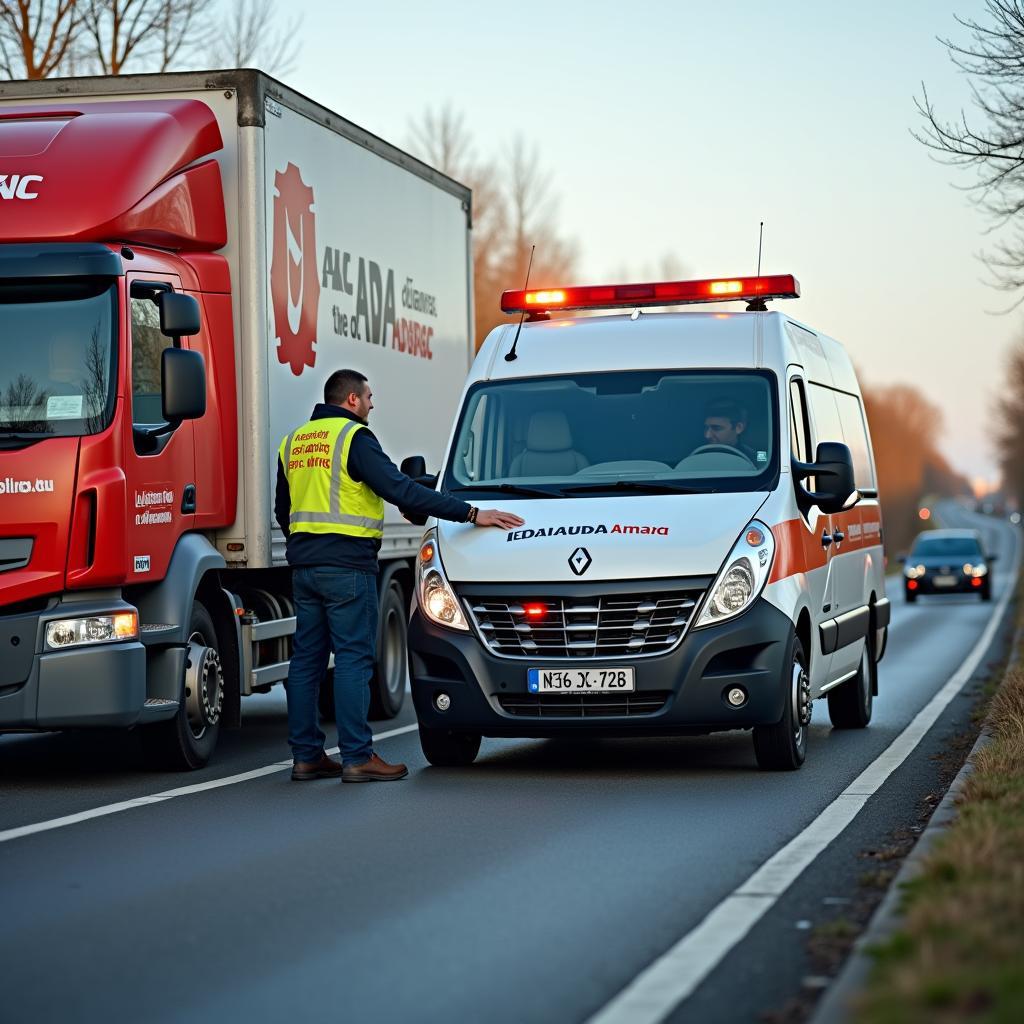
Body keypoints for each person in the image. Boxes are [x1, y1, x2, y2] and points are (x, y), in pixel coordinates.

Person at [276, 369, 525, 783]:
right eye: (369, 397)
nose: (373, 404)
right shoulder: (353, 438)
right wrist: (471, 513)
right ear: (352, 399)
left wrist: (306, 548)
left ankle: (306, 756)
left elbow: (283, 512)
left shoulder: (294, 442)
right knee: (354, 659)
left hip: (305, 567)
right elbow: (401, 490)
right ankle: (357, 756)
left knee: (306, 662)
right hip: (348, 567)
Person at [695, 397, 759, 463]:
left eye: (716, 428)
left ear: (739, 428)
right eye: (706, 428)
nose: (707, 435)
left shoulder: (756, 455)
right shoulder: (696, 456)